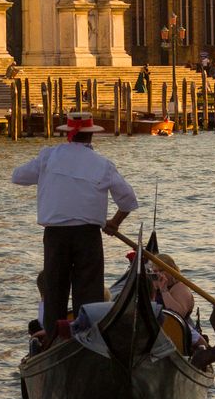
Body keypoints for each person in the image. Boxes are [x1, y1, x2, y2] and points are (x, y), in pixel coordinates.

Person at [11, 116, 139, 334]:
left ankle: (53, 337)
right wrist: (114, 223)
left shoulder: (48, 157)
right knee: (89, 292)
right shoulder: (102, 164)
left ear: (67, 133)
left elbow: (18, 177)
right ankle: (87, 336)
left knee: (54, 290)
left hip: (55, 236)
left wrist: (47, 175)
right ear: (91, 135)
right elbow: (128, 200)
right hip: (88, 236)